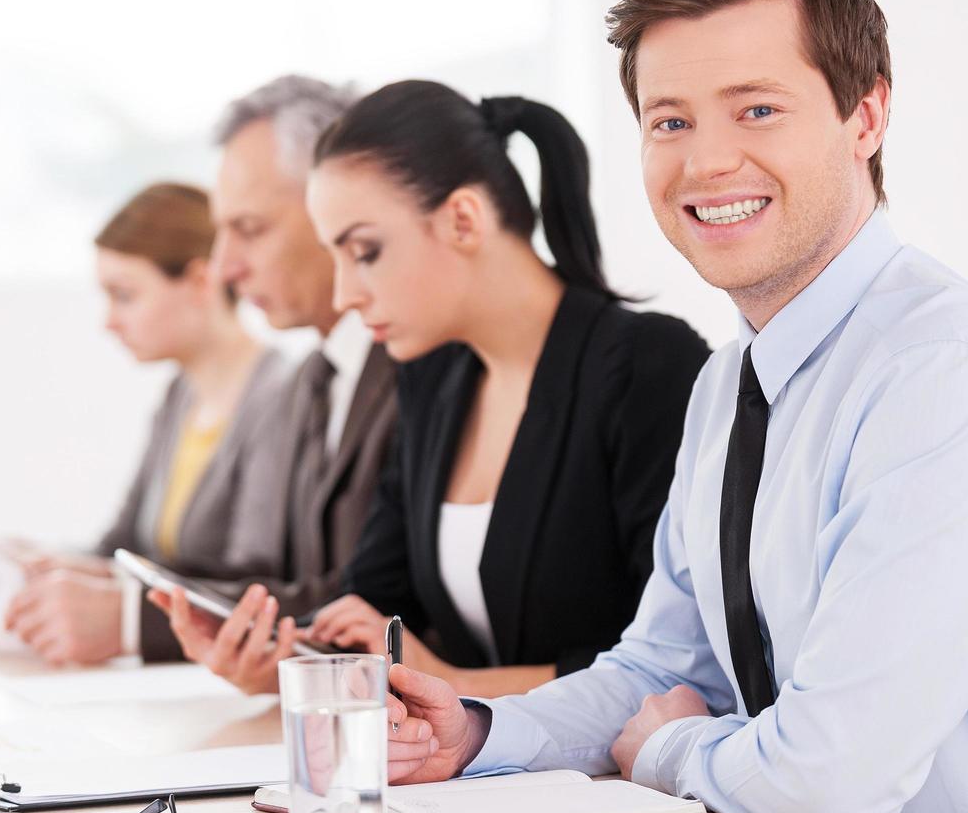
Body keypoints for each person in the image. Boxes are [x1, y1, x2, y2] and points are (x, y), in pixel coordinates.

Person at [381, 0, 968, 813]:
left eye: (757, 109)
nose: (705, 163)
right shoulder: (731, 378)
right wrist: (481, 730)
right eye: (670, 121)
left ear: (866, 116)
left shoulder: (944, 375)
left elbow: (831, 773)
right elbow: (660, 661)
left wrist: (667, 749)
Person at [292, 79, 708, 701]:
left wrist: (464, 687)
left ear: (464, 219)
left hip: (623, 781)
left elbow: (684, 651)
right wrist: (295, 655)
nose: (343, 295)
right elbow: (374, 604)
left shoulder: (649, 365)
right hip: (477, 781)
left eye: (365, 251)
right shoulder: (433, 381)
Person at [147, 77, 399, 690]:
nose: (227, 268)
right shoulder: (313, 376)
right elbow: (289, 579)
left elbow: (371, 598)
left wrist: (134, 621)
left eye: (251, 228)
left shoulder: (419, 369)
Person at [3, 181, 291, 665]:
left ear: (201, 282)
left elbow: (255, 573)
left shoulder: (281, 395)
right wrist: (51, 562)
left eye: (125, 295)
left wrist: (113, 599)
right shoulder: (180, 396)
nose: (109, 321)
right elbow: (123, 546)